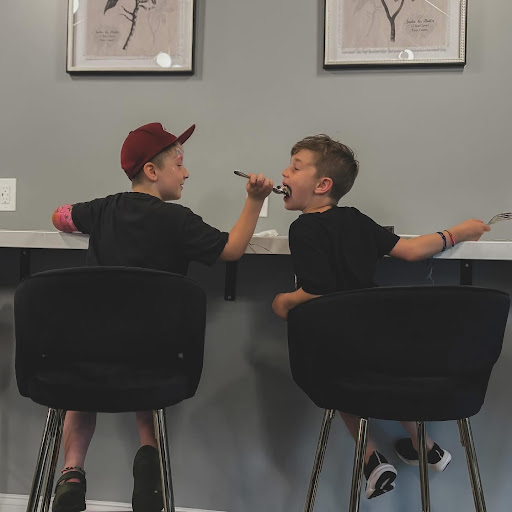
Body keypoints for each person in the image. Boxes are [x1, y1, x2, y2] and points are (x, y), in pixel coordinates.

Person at [51, 122, 273, 512]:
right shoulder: (179, 221)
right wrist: (255, 200)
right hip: (154, 354)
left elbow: (60, 216)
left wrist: (74, 222)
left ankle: (72, 471)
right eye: (179, 164)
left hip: (92, 352)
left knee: (80, 392)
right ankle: (149, 460)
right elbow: (233, 249)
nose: (186, 173)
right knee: (147, 376)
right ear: (152, 171)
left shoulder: (104, 208)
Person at [271, 134, 490, 499]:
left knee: (337, 382)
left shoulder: (303, 227)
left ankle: (370, 458)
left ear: (322, 185)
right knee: (384, 378)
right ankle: (425, 444)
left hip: (335, 345)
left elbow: (319, 289)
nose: (284, 173)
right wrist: (459, 232)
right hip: (379, 341)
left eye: (295, 167)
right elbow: (411, 250)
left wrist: (284, 301)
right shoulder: (355, 218)